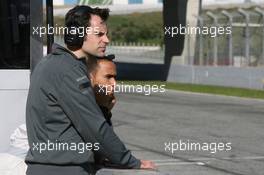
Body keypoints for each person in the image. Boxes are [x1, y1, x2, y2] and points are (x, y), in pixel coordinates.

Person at [25, 5, 155, 175]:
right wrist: (130, 161)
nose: (106, 40)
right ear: (77, 35)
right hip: (63, 169)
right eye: (99, 34)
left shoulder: (52, 63)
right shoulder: (69, 70)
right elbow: (94, 126)